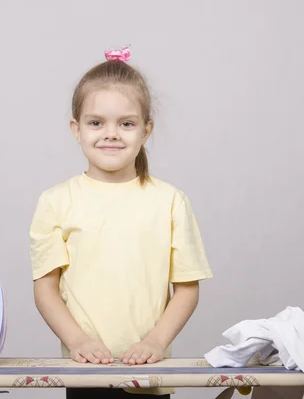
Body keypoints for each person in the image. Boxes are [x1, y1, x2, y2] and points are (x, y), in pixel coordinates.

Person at [29, 46, 213, 398]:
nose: (111, 134)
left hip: (150, 373)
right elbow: (45, 289)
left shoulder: (170, 201)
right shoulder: (55, 202)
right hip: (85, 373)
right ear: (76, 128)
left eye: (126, 124)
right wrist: (77, 340)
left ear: (146, 130)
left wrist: (156, 343)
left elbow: (187, 289)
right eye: (96, 122)